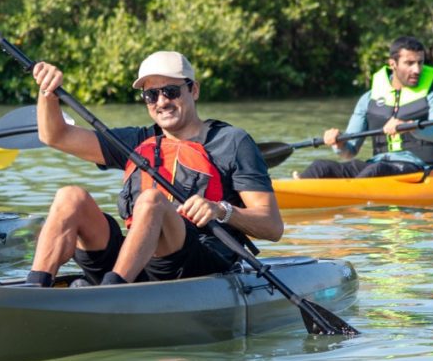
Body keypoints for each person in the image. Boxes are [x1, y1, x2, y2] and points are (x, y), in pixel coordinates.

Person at [23, 51, 283, 287]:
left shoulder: (232, 142)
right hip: (140, 263)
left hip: (198, 263)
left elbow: (272, 227)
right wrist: (48, 92)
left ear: (194, 90)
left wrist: (221, 210)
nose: (162, 102)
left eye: (171, 91)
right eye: (151, 95)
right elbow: (56, 136)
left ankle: (112, 291)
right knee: (70, 197)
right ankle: (34, 288)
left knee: (151, 201)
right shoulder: (137, 141)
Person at [297, 35, 433, 179]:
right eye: (409, 63)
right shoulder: (368, 99)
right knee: (320, 167)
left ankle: (350, 203)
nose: (417, 69)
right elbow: (350, 151)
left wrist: (410, 127)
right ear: (392, 64)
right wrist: (338, 144)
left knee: (375, 170)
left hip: (418, 166)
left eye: (420, 62)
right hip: (378, 163)